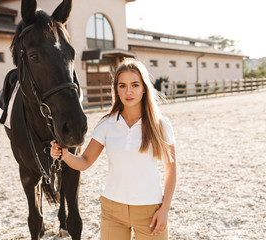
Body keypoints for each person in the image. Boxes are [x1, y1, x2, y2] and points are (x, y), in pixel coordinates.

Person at [51, 58, 176, 240]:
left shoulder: (161, 125)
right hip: (112, 210)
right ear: (116, 89)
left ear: (144, 88)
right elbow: (85, 162)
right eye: (122, 85)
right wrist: (64, 154)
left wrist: (164, 209)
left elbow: (171, 169)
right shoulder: (107, 123)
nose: (129, 91)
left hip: (150, 210)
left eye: (135, 85)